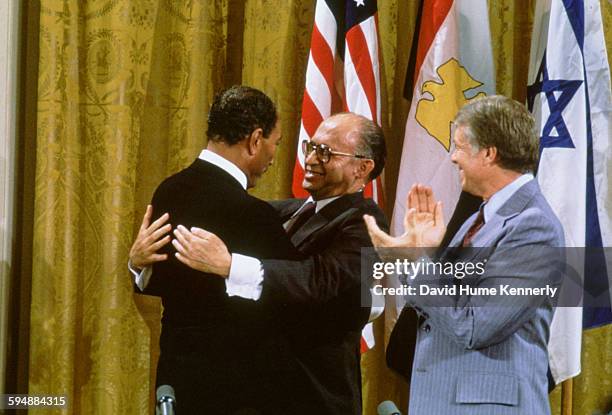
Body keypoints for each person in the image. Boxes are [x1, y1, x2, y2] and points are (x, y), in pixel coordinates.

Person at [131, 111, 388, 414]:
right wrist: (141, 262)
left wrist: (229, 266)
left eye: (326, 152)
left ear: (362, 168)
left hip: (315, 398)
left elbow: (319, 280)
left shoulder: (366, 223)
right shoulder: (278, 213)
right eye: (311, 147)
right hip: (261, 394)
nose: (311, 159)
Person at [364, 95, 564, 415]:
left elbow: (472, 327)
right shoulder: (479, 218)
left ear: (488, 153)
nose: (453, 158)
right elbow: (444, 302)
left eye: (459, 146)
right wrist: (420, 252)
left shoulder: (533, 227)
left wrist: (415, 263)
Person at [130, 85, 301, 414]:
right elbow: (295, 298)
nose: (273, 156)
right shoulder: (253, 215)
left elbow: (160, 279)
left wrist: (137, 266)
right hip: (240, 392)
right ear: (254, 140)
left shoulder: (168, 191)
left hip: (177, 383)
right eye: (274, 144)